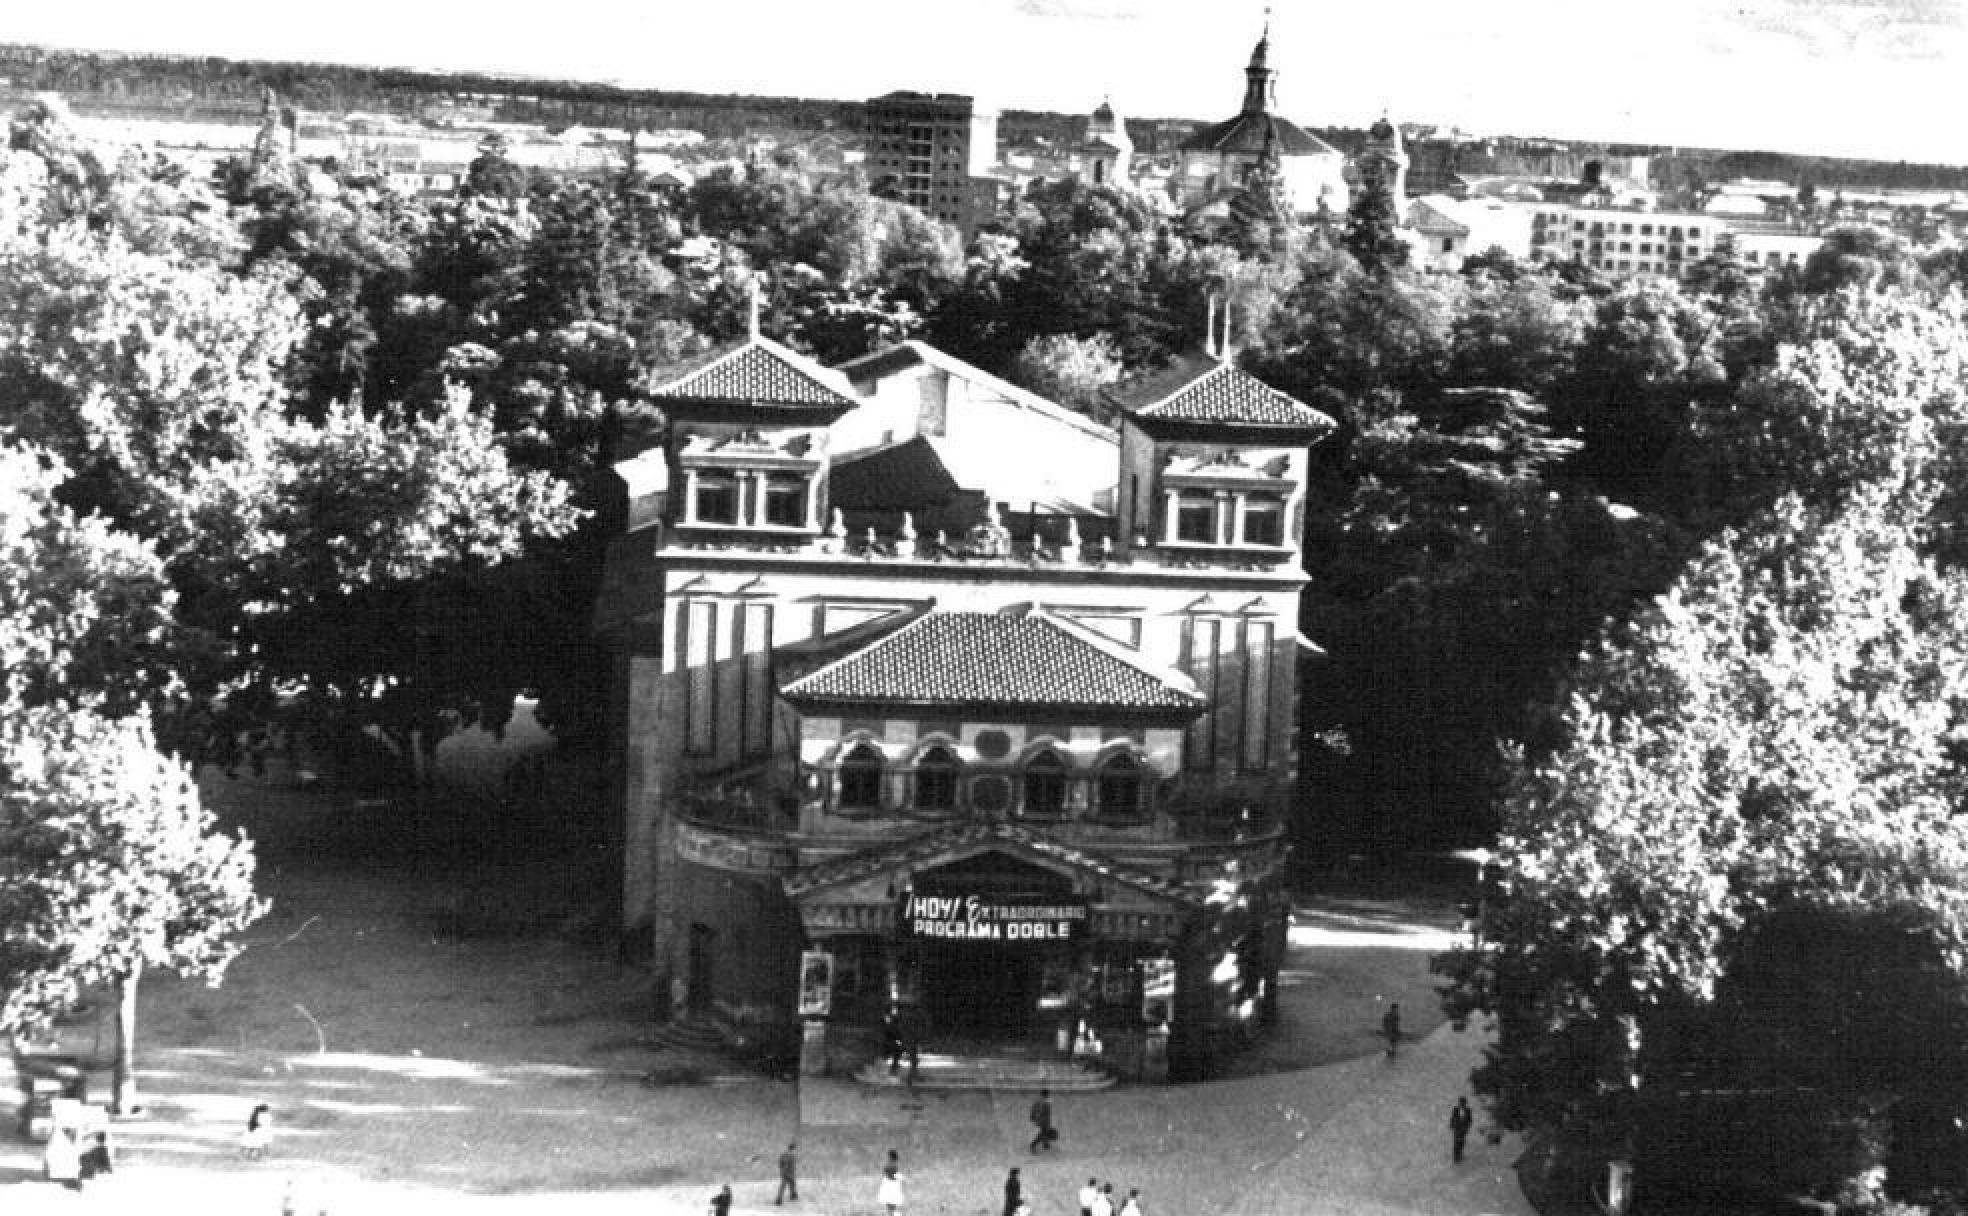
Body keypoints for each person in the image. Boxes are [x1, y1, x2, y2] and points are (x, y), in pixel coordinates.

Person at [43, 1125, 83, 1190]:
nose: (73, 1137)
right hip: (59, 1178)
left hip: (59, 1178)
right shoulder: (61, 1145)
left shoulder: (66, 1145)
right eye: (72, 1135)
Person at [1028, 1088, 1057, 1153]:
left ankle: (1045, 1144)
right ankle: (1033, 1145)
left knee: (1044, 1133)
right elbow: (1046, 1113)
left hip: (1039, 1120)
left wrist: (1032, 1117)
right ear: (1047, 1094)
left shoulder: (1038, 1101)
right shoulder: (1046, 1102)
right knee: (1043, 1134)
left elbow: (1033, 1109)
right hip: (1044, 1121)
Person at [1449, 1096, 1475, 1163]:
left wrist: (1467, 1127)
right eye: (1461, 1102)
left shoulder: (1468, 1110)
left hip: (1463, 1129)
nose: (1462, 1104)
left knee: (1462, 1142)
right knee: (1456, 1141)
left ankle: (1460, 1154)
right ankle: (1456, 1157)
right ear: (1459, 1103)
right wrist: (1452, 1125)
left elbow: (1470, 1120)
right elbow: (1453, 1117)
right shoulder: (1455, 1109)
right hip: (1457, 1128)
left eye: (1463, 1103)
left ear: (1465, 1103)